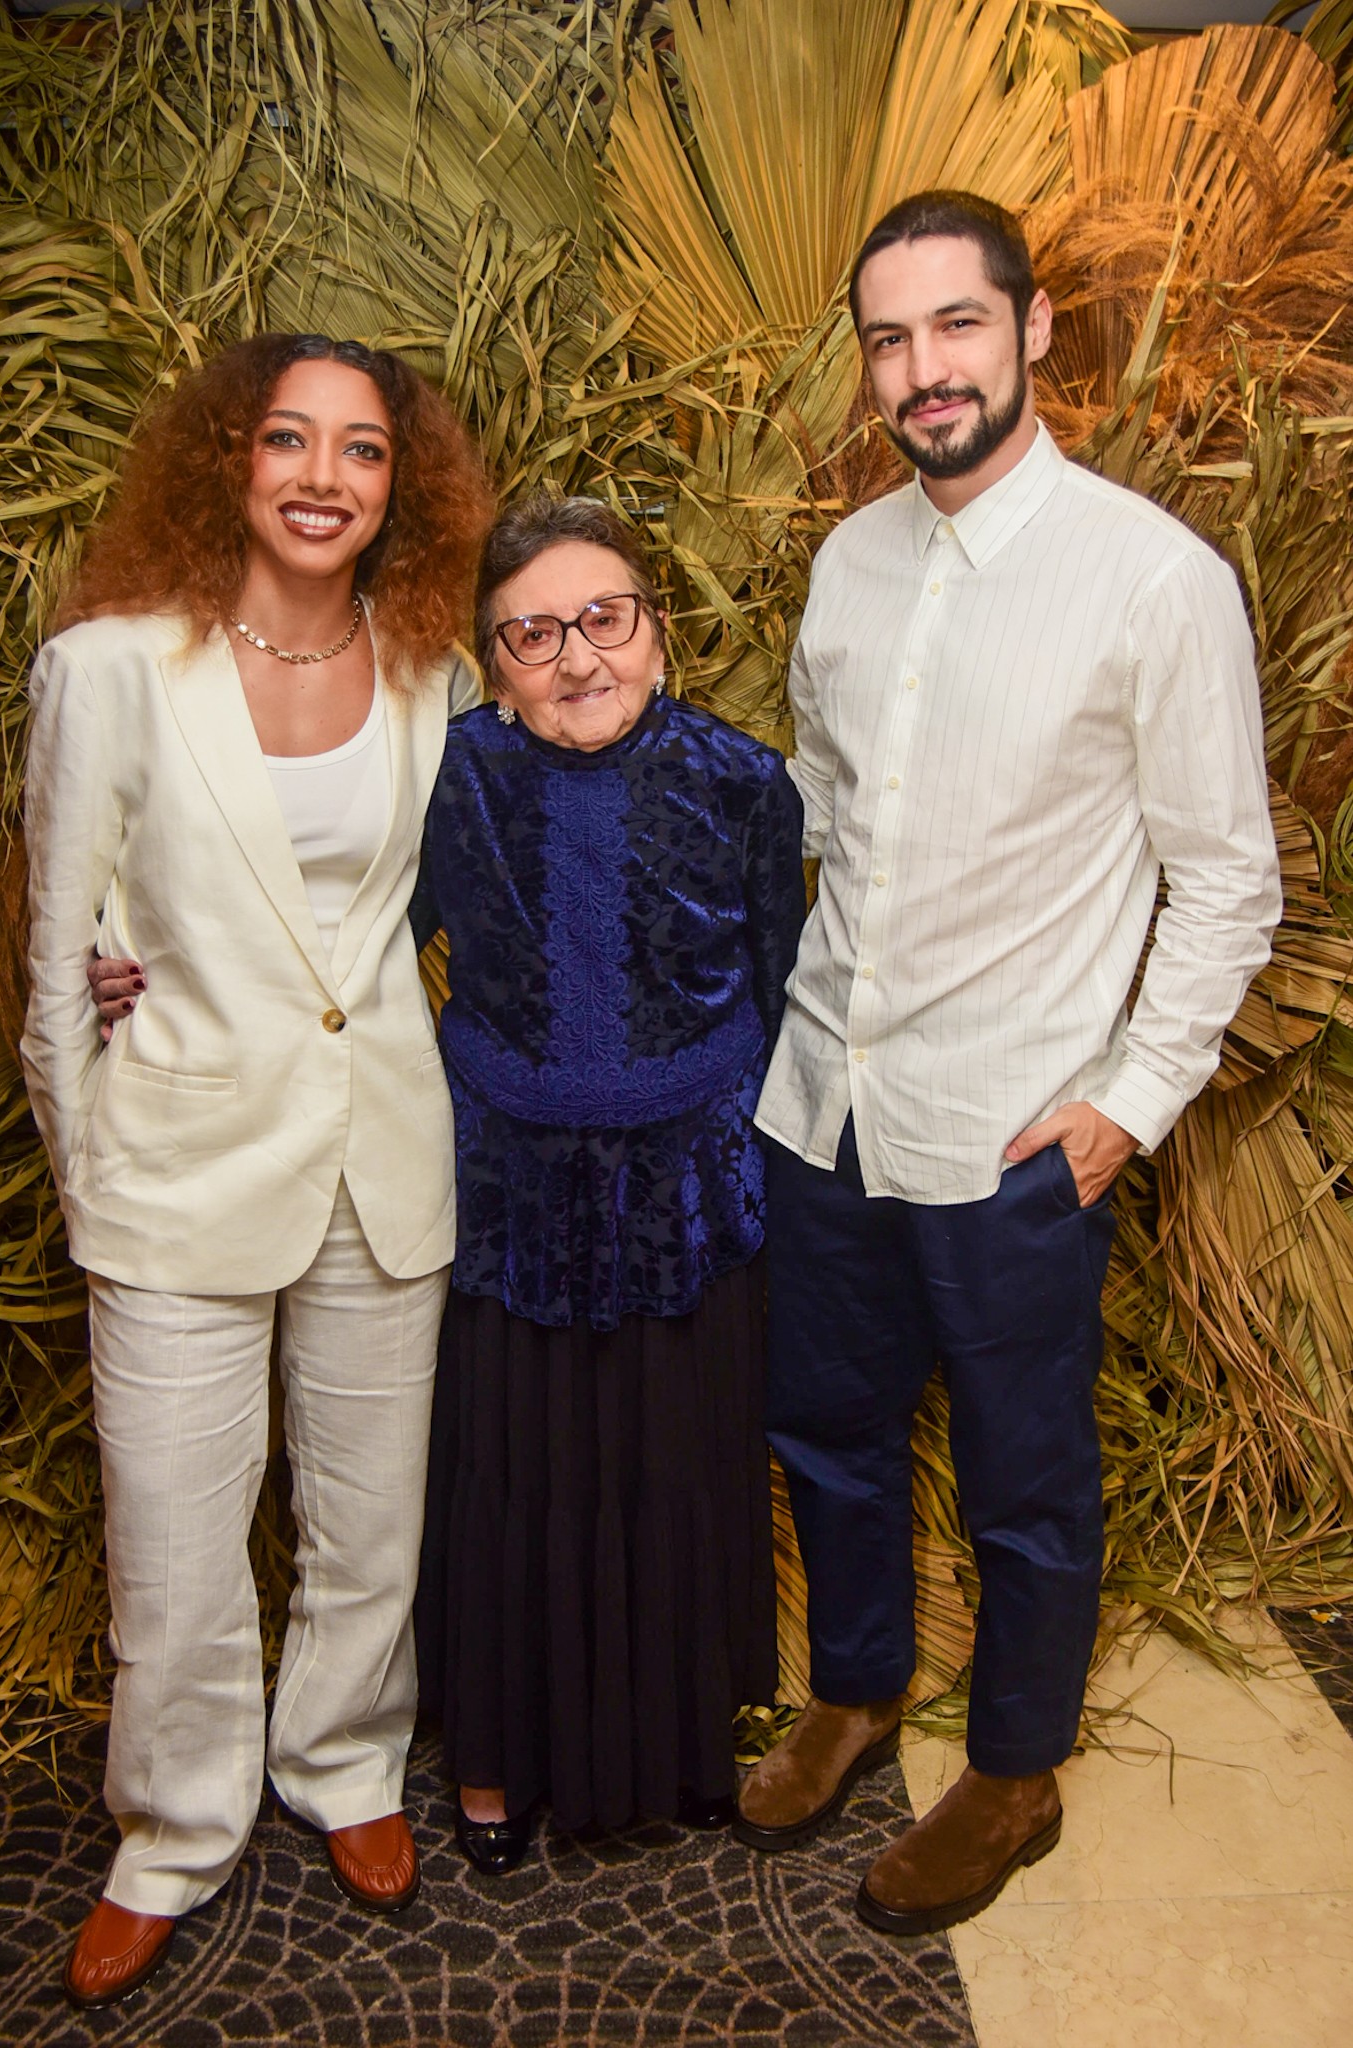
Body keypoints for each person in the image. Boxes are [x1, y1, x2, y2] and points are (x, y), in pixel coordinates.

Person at [737, 191, 1281, 1934]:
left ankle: (1016, 1770)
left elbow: (1226, 881)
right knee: (828, 1426)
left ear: (1033, 329)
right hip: (825, 1105)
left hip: (1011, 1135)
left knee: (1024, 1475)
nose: (924, 370)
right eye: (889, 340)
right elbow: (826, 809)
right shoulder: (848, 560)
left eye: (957, 325)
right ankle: (853, 1689)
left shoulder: (1151, 580)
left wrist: (1126, 1103)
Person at [21, 332, 490, 2007]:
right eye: (288, 439)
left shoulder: (438, 674)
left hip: (385, 1155)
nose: (320, 476)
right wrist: (93, 1179)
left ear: (397, 488)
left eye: (360, 449)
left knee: (369, 1517)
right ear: (229, 457)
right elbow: (55, 955)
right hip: (176, 1164)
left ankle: (346, 1760)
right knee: (173, 1538)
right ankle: (170, 1831)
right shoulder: (108, 669)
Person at [410, 495, 807, 1870]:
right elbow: (349, 947)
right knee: (516, 1474)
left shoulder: (745, 781)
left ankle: (676, 1747)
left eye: (604, 619)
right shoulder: (451, 778)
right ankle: (496, 1755)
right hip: (508, 1196)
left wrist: (747, 1170)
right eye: (533, 635)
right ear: (493, 668)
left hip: (685, 1200)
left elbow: (780, 990)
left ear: (657, 631)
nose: (578, 658)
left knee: (668, 1471)